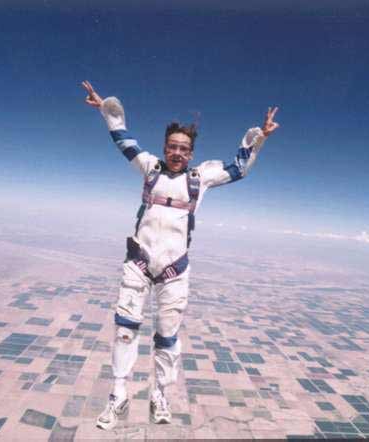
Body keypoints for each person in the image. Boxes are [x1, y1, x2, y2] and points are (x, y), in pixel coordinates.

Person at [82, 80, 279, 430]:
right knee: (124, 331)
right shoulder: (150, 168)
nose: (176, 153)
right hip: (139, 262)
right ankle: (118, 395)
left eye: (183, 149)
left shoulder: (199, 178)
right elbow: (123, 140)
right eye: (172, 147)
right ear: (164, 148)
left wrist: (259, 137)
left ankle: (160, 395)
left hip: (174, 269)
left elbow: (238, 168)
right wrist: (105, 110)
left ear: (191, 154)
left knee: (167, 338)